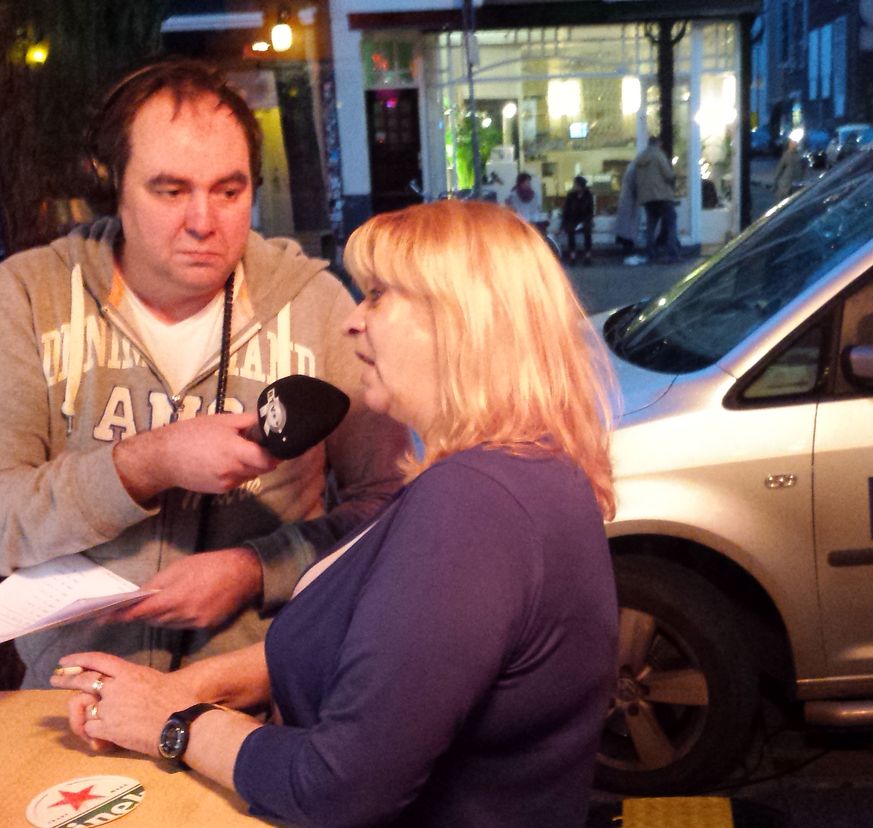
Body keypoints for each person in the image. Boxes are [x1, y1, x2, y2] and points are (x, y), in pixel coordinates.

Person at [52, 199, 620, 828]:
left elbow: (340, 788)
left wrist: (172, 724)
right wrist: (187, 688)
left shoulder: (472, 503)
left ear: (462, 321)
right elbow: (388, 660)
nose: (352, 321)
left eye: (377, 295)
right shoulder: (518, 469)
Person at [0, 58, 409, 688]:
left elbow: (389, 507)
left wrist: (256, 567)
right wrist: (144, 463)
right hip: (69, 698)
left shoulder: (318, 305)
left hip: (260, 701)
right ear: (113, 187)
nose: (204, 221)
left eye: (229, 190)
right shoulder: (27, 298)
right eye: (170, 190)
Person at [634, 135, 680, 263]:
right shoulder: (659, 155)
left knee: (651, 226)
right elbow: (668, 175)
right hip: (662, 196)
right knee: (671, 224)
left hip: (647, 198)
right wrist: (675, 176)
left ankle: (650, 253)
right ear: (658, 144)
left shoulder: (640, 158)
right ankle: (673, 254)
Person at [613, 159, 644, 264]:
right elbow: (635, 187)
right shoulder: (634, 171)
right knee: (629, 230)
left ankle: (629, 254)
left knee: (627, 230)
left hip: (628, 203)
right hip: (631, 204)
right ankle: (629, 255)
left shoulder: (630, 171)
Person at [561, 174, 595, 264]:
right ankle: (572, 256)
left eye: (576, 185)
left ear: (581, 186)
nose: (574, 186)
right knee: (570, 231)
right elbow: (566, 210)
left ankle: (588, 256)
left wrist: (586, 220)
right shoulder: (570, 195)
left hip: (584, 219)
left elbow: (590, 211)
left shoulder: (588, 195)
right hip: (573, 219)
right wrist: (564, 222)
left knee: (587, 231)